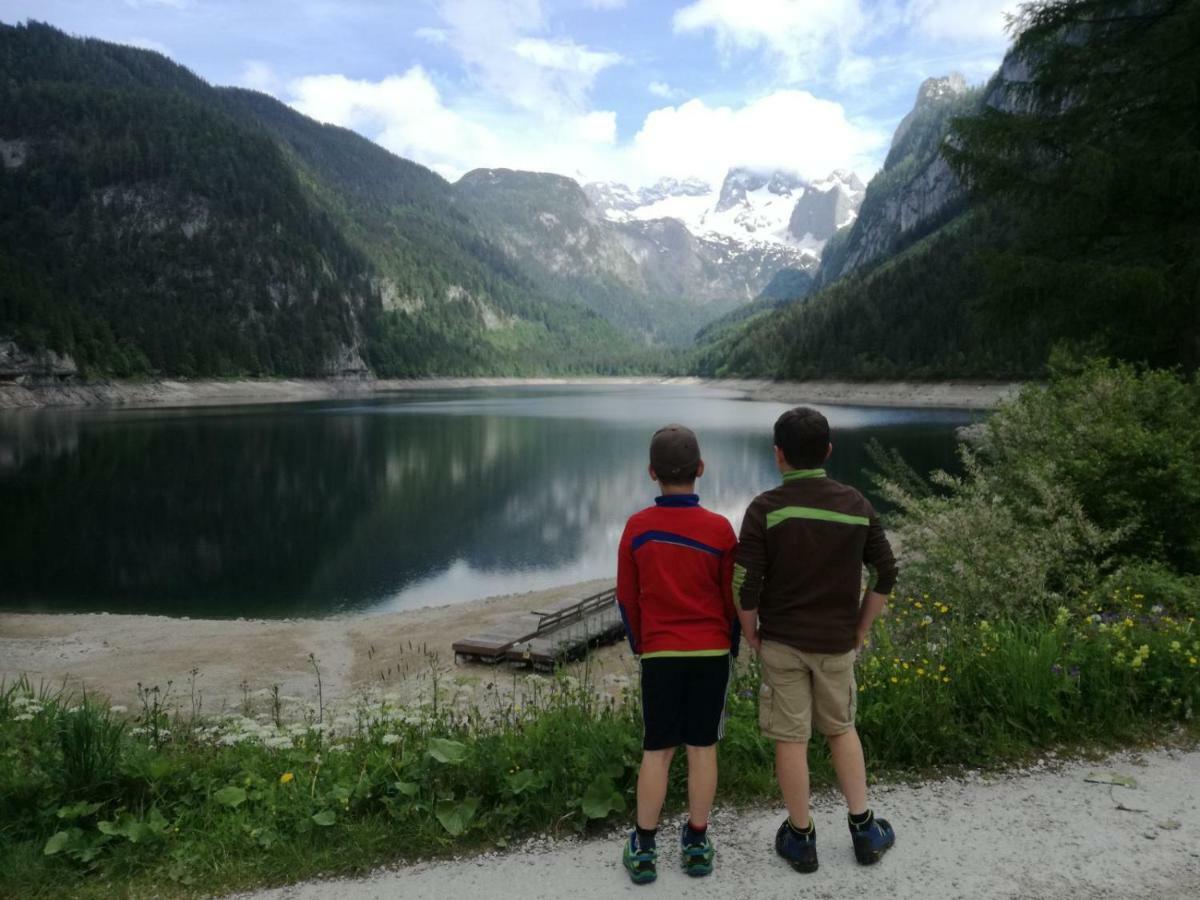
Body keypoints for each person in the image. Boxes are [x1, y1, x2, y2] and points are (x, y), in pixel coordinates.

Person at [734, 406, 898, 873]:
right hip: (835, 644)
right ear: (827, 451)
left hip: (782, 642)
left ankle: (802, 838)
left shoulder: (765, 509)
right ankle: (864, 829)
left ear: (778, 455)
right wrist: (861, 628)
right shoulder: (855, 504)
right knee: (842, 729)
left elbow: (744, 581)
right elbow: (886, 571)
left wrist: (751, 632)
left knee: (791, 737)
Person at [615, 423, 738, 885]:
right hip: (710, 651)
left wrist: (641, 644)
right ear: (700, 469)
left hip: (661, 652)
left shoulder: (637, 528)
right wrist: (731, 640)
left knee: (658, 748)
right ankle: (696, 841)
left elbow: (627, 599)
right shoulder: (721, 530)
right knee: (702, 747)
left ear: (651, 473)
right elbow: (731, 597)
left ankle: (644, 847)